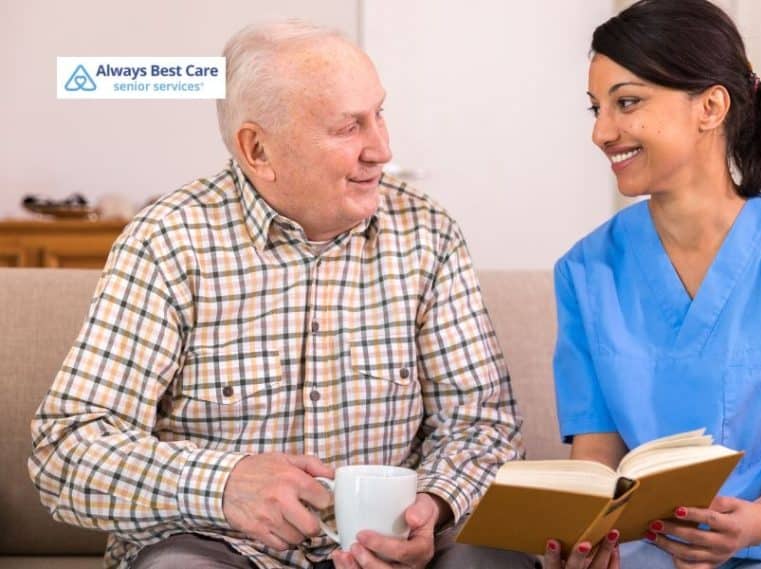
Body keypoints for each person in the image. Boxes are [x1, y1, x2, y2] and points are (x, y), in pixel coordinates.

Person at [28, 20, 536, 569]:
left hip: (394, 555)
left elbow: (482, 424)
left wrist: (431, 508)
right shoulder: (168, 242)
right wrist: (222, 485)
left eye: (379, 114)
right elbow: (67, 450)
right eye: (348, 128)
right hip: (217, 546)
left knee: (495, 560)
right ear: (257, 148)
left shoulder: (427, 233)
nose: (382, 150)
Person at [543, 1, 761, 568]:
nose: (601, 132)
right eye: (596, 108)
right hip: (652, 546)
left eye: (626, 102)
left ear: (710, 106)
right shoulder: (585, 271)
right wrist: (586, 538)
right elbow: (598, 449)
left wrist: (756, 523)